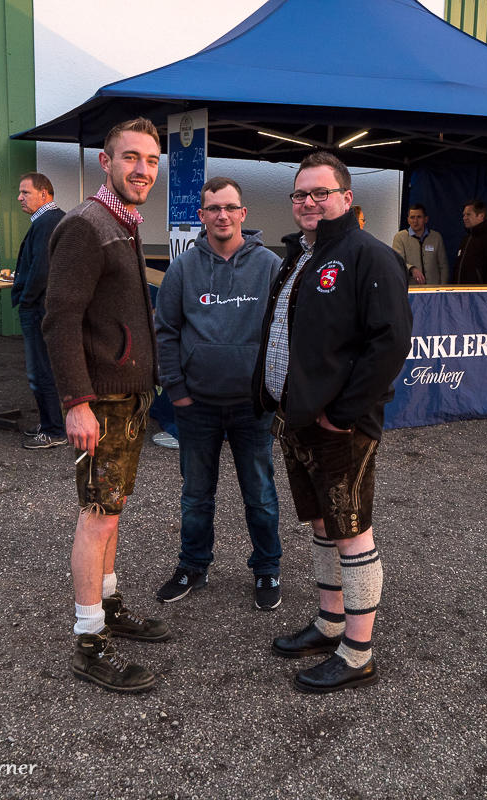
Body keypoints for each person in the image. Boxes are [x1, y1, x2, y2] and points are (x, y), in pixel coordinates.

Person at [252, 151, 412, 694]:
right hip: (298, 418)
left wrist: (341, 414)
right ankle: (329, 622)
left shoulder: (370, 256)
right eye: (301, 193)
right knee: (322, 524)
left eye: (321, 192)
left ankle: (358, 652)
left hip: (340, 426)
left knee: (351, 532)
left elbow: (390, 344)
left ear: (346, 197)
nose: (309, 202)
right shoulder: (301, 255)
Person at [43, 118, 170, 693]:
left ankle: (109, 605)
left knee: (111, 511)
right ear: (106, 161)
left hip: (127, 399)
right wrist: (76, 402)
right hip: (103, 401)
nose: (143, 170)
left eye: (151, 159)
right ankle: (89, 640)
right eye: (131, 158)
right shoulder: (86, 225)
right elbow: (60, 319)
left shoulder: (122, 220)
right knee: (98, 516)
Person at [155, 177, 283, 610]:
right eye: (213, 208)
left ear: (243, 214)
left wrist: (273, 389)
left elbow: (285, 331)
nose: (222, 215)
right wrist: (177, 391)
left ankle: (267, 568)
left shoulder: (269, 266)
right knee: (195, 496)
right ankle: (193, 565)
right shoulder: (183, 268)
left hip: (252, 405)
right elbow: (165, 331)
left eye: (230, 207)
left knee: (260, 495)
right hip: (197, 405)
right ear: (202, 216)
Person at [12, 173, 66, 449]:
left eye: (25, 192)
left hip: (39, 309)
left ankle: (54, 431)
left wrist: (26, 300)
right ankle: (49, 424)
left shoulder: (47, 222)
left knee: (41, 372)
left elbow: (42, 269)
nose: (19, 198)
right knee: (44, 370)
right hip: (42, 306)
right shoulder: (49, 220)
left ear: (44, 193)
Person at [392, 203, 449, 286]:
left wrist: (443, 288)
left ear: (426, 219)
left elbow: (443, 266)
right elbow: (397, 262)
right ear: (408, 220)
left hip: (433, 289)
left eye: (419, 217)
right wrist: (412, 269)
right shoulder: (400, 237)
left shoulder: (436, 237)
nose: (415, 221)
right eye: (412, 217)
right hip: (412, 289)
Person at [453, 200, 487, 284]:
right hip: (460, 291)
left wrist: (484, 290)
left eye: (468, 214)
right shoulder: (466, 239)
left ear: (481, 216)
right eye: (464, 215)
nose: (464, 218)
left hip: (478, 291)